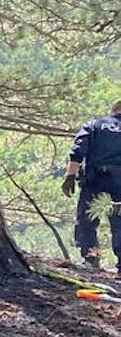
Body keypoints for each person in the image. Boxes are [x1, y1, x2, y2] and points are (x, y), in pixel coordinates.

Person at [64, 101, 121, 273]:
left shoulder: (94, 125)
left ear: (112, 111)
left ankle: (91, 259)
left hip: (95, 180)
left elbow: (78, 151)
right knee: (120, 223)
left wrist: (70, 176)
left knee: (87, 220)